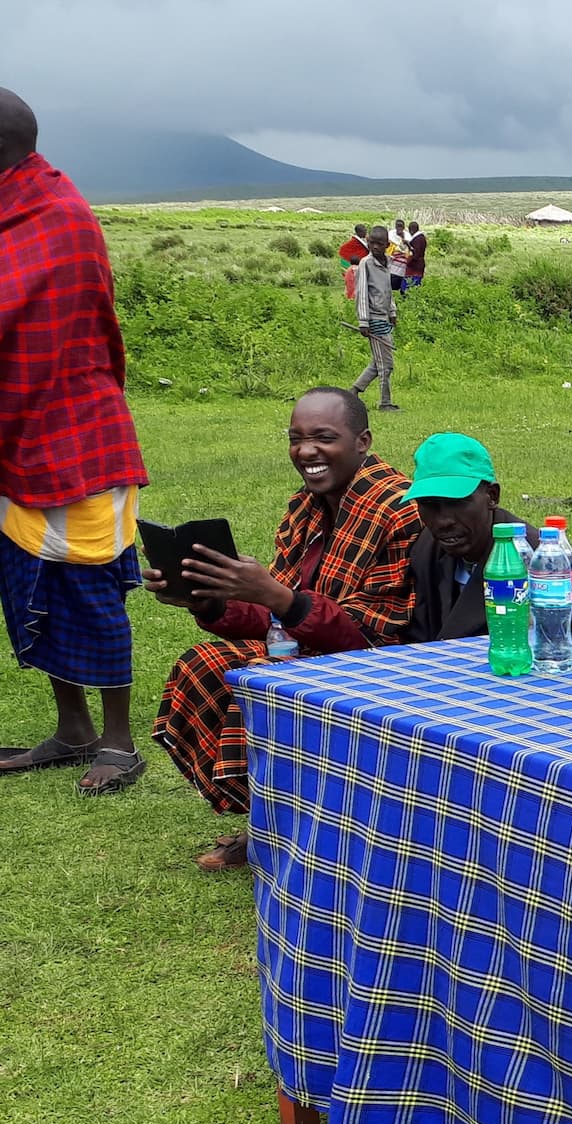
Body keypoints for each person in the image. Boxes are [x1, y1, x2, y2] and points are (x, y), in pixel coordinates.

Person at [147, 388, 418, 870]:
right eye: (296, 439)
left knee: (255, 683)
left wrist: (277, 596)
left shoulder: (398, 509)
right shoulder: (306, 506)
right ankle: (270, 826)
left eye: (323, 438)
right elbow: (276, 615)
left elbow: (371, 636)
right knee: (203, 665)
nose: (306, 451)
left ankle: (284, 833)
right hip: (307, 646)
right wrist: (210, 598)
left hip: (384, 665)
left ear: (362, 441)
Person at [0, 88, 152, 798]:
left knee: (88, 588)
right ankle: (73, 730)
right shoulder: (16, 209)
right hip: (19, 435)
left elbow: (45, 334)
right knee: (32, 582)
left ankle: (119, 743)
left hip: (71, 437)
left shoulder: (56, 217)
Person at [403, 432, 520, 642]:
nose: (442, 521)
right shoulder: (425, 548)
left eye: (457, 503)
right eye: (429, 505)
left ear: (492, 496)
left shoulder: (527, 559)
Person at [350, 226, 398, 412]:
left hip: (384, 317)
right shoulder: (365, 263)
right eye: (372, 243)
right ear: (368, 243)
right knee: (386, 365)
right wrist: (363, 321)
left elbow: (387, 291)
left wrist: (392, 312)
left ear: (387, 245)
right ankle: (385, 403)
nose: (375, 247)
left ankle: (354, 391)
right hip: (373, 319)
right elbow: (361, 293)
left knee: (378, 362)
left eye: (380, 244)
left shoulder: (388, 262)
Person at [403, 220, 427, 293]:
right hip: (418, 265)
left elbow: (415, 254)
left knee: (408, 287)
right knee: (413, 286)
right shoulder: (420, 238)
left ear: (411, 230)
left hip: (415, 266)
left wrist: (408, 261)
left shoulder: (418, 239)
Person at [388, 218, 409, 291]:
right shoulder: (390, 236)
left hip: (403, 270)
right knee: (392, 290)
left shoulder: (408, 237)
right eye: (398, 226)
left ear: (403, 227)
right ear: (395, 226)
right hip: (392, 269)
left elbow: (408, 251)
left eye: (401, 226)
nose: (399, 228)